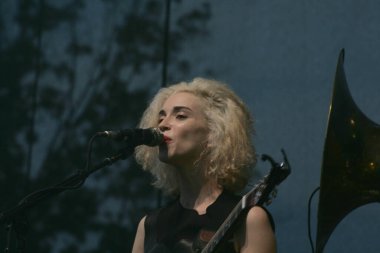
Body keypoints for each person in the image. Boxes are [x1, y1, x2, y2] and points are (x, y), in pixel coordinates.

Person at [132, 78, 276, 253]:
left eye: (180, 116)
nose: (162, 125)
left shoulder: (248, 219)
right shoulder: (149, 226)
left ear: (215, 132)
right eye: (161, 118)